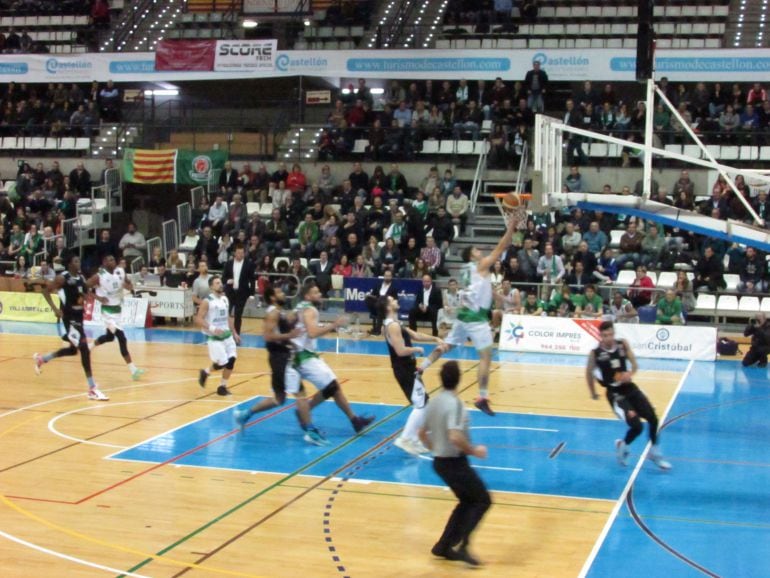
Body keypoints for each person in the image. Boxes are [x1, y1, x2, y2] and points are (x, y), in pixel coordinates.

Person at [433, 215, 517, 416]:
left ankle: (423, 366)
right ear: (472, 256)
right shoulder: (481, 266)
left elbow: (487, 290)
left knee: (449, 345)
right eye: (476, 250)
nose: (481, 252)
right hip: (475, 317)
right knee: (486, 356)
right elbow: (500, 247)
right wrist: (511, 226)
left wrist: (505, 300)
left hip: (465, 315)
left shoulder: (469, 270)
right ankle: (482, 396)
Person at [233, 285, 328, 445]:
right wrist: (290, 335)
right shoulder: (273, 313)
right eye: (279, 292)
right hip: (280, 358)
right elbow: (268, 336)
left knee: (279, 399)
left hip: (281, 356)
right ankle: (310, 431)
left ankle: (244, 415)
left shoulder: (279, 311)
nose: (283, 294)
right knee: (300, 393)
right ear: (272, 297)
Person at [418, 360, 490, 567]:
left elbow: (421, 433)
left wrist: (434, 448)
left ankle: (443, 546)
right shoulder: (454, 403)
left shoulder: (434, 402)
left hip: (440, 463)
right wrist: (474, 451)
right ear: (459, 379)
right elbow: (455, 437)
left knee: (467, 501)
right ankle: (463, 547)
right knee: (482, 500)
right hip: (454, 463)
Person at [288, 282, 375, 433]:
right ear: (308, 296)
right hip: (304, 356)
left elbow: (296, 325)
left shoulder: (299, 307)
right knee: (332, 386)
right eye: (316, 292)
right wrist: (334, 325)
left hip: (300, 354)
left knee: (333, 387)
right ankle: (305, 411)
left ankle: (355, 421)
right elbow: (312, 333)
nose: (320, 294)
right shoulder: (310, 309)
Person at [585, 321, 671, 470]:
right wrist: (593, 392)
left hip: (630, 388)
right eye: (605, 335)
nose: (609, 338)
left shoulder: (622, 344)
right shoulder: (595, 354)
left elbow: (635, 364)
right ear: (600, 336)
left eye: (611, 334)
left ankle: (654, 452)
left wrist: (630, 373)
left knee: (653, 418)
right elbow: (588, 373)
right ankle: (622, 445)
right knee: (637, 426)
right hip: (615, 394)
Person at [379, 295, 445, 455]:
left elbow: (415, 335)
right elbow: (400, 351)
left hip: (408, 367)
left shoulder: (396, 323)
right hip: (403, 369)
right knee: (421, 404)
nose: (395, 300)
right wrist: (416, 349)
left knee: (424, 402)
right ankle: (405, 438)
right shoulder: (392, 326)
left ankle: (414, 440)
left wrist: (435, 338)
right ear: (388, 307)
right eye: (392, 300)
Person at [33, 256, 105, 400]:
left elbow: (84, 293)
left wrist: (94, 298)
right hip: (70, 318)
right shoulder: (62, 278)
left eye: (79, 261)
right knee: (84, 349)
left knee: (73, 350)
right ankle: (92, 388)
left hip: (79, 317)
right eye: (76, 261)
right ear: (70, 264)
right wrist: (54, 309)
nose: (79, 263)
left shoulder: (80, 277)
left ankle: (43, 359)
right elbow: (45, 292)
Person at [88, 255, 145, 381]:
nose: (113, 262)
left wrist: (128, 285)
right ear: (104, 262)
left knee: (109, 337)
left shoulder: (120, 271)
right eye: (109, 260)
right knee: (122, 338)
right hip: (107, 312)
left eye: (114, 259)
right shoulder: (99, 276)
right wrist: (98, 298)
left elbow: (125, 283)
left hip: (117, 310)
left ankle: (89, 346)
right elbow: (85, 288)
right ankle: (133, 370)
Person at [196, 276, 240, 396]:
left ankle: (222, 386)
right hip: (215, 338)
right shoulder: (207, 301)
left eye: (220, 282)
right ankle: (205, 372)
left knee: (232, 360)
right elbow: (198, 319)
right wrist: (212, 328)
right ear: (211, 287)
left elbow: (228, 317)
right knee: (222, 363)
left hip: (227, 335)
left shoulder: (225, 299)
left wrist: (235, 332)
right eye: (217, 283)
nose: (220, 284)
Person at [222, 244, 255, 334]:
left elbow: (252, 279)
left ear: (244, 253)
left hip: (242, 293)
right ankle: (224, 331)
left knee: (238, 315)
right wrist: (228, 280)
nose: (240, 255)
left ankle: (236, 334)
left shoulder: (249, 264)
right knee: (226, 312)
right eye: (238, 253)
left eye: (242, 253)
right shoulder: (228, 263)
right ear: (234, 253)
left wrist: (252, 293)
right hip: (230, 292)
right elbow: (223, 277)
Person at [365, 269, 399, 334]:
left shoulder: (393, 288)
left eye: (389, 276)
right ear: (384, 276)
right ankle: (374, 313)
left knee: (380, 305)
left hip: (385, 306)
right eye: (386, 276)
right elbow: (373, 294)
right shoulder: (378, 285)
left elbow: (395, 299)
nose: (387, 277)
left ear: (391, 277)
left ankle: (377, 330)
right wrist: (369, 296)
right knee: (368, 299)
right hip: (377, 303)